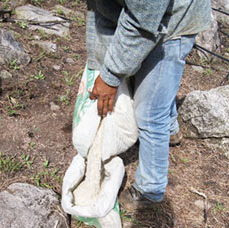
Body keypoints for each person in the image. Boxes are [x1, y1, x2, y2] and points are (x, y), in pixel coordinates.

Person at [87, 0, 211, 207]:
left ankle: (150, 188)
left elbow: (143, 20)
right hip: (149, 13)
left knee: (151, 113)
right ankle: (170, 130)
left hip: (173, 24)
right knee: (157, 89)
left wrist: (111, 75)